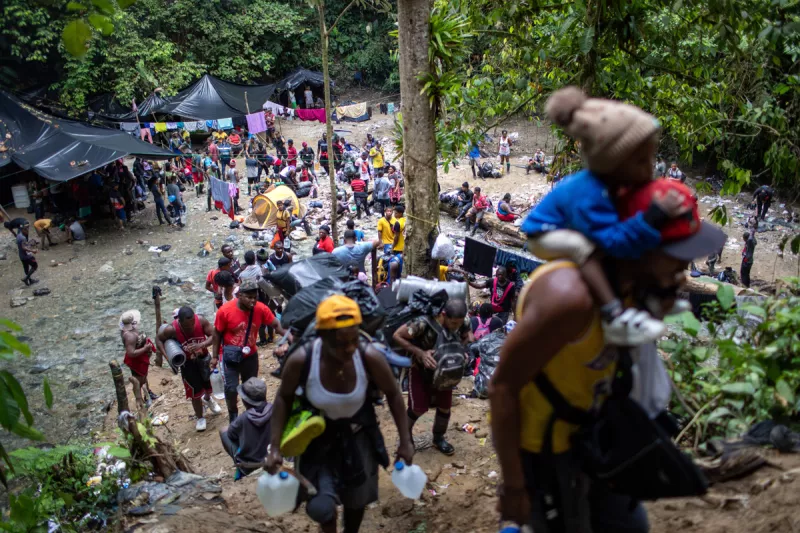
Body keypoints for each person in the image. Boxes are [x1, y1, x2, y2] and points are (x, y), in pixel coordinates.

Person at [489, 178, 726, 531]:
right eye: (677, 259)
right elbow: (503, 388)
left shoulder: (632, 288)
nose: (684, 273)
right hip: (547, 454)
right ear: (641, 248)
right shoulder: (568, 298)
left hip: (594, 435)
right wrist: (513, 485)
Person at [521, 86, 689, 346]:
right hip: (545, 232)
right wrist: (653, 215)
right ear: (612, 163)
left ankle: (652, 293)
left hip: (579, 225)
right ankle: (613, 314)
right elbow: (611, 240)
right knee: (586, 248)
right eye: (641, 162)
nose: (648, 170)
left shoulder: (614, 186)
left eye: (650, 160)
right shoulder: (589, 193)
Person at [266, 295, 414, 533]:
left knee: (356, 502)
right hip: (316, 439)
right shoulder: (302, 360)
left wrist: (405, 441)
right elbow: (283, 398)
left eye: (354, 340)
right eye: (341, 343)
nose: (349, 349)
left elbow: (394, 395)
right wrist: (274, 448)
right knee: (322, 507)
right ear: (323, 338)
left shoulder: (369, 357)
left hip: (358, 436)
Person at [393, 298, 472, 455]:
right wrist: (420, 353)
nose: (456, 327)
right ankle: (405, 438)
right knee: (417, 408)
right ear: (444, 315)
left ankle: (438, 438)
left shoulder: (464, 321)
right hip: (420, 370)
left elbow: (468, 335)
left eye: (459, 323)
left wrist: (461, 350)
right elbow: (397, 335)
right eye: (453, 323)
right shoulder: (423, 323)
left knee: (444, 407)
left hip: (446, 371)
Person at [212, 279, 284, 422]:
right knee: (231, 389)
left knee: (250, 388)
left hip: (250, 355)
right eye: (249, 297)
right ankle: (233, 415)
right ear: (239, 296)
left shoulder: (260, 308)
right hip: (230, 357)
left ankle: (251, 414)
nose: (253, 301)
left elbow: (276, 324)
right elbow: (217, 333)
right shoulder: (225, 311)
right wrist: (214, 357)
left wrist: (291, 336)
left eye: (255, 297)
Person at [157, 307, 222, 432]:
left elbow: (213, 335)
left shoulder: (201, 321)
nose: (192, 326)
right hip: (187, 364)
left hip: (204, 358)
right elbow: (159, 339)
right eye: (188, 326)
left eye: (193, 322)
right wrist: (168, 357)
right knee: (194, 392)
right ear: (180, 322)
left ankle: (208, 399)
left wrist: (201, 345)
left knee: (209, 384)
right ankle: (200, 418)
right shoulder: (171, 329)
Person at [220, 377, 273, 478]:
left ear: (245, 402)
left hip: (249, 466)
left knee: (223, 431)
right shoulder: (275, 409)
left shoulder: (243, 419)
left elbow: (231, 435)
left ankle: (239, 460)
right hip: (271, 457)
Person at [121, 310, 158, 407]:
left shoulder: (129, 330)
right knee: (138, 380)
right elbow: (131, 353)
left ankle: (148, 393)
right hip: (136, 361)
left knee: (144, 376)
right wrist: (145, 348)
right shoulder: (129, 336)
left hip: (140, 358)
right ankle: (139, 399)